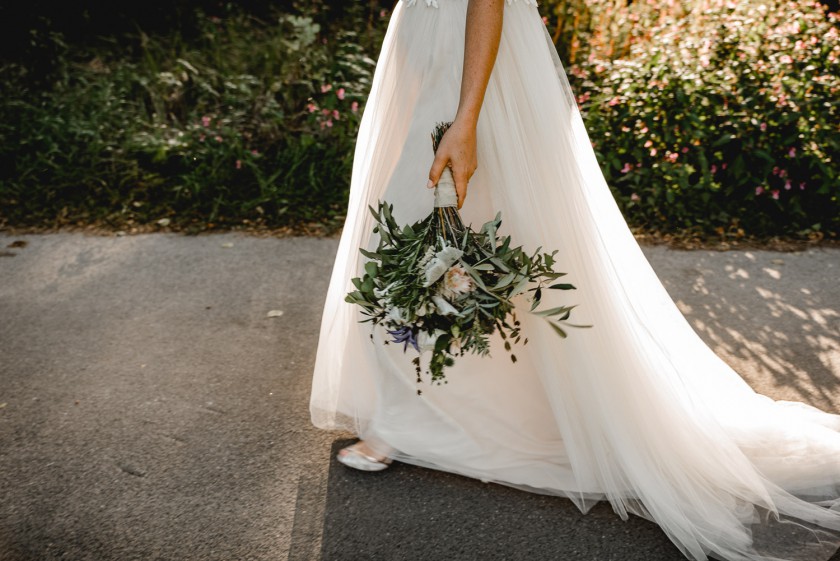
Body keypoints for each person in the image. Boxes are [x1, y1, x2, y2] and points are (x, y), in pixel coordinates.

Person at [310, 1, 840, 560]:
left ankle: (414, 418)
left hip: (471, 62)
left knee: (430, 223)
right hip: (431, 44)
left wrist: (465, 119)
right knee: (446, 229)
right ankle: (422, 410)